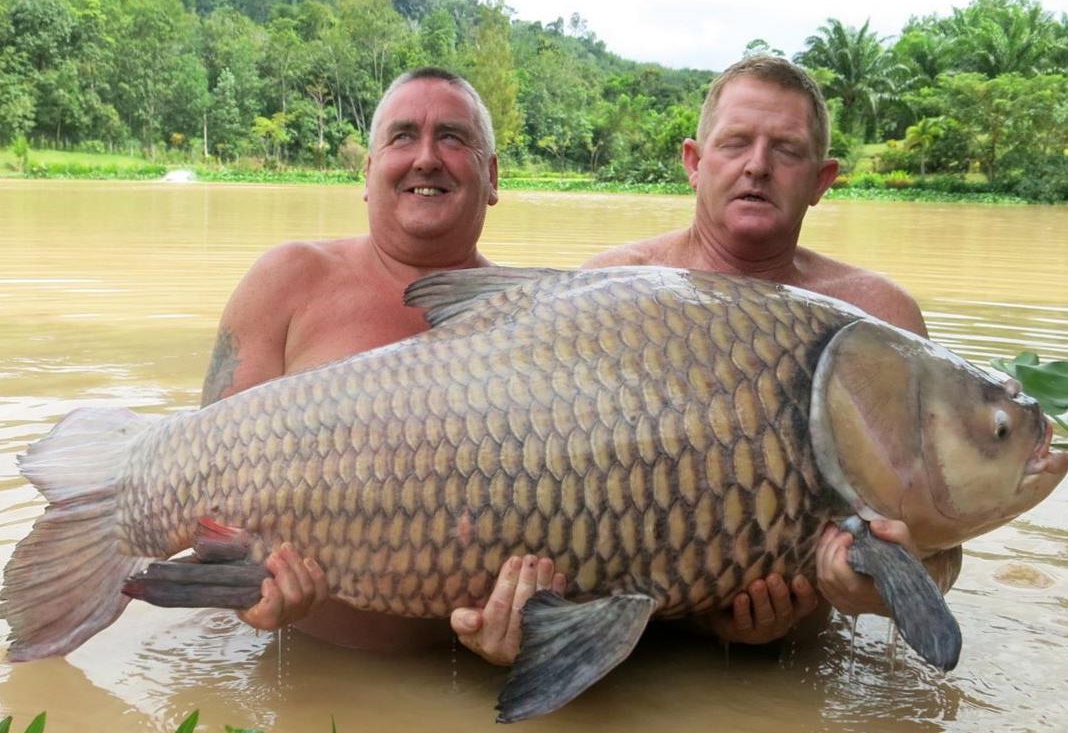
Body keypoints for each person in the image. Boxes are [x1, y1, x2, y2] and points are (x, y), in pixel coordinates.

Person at [582, 55, 961, 645]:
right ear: (694, 162)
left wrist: (889, 586)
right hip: (631, 642)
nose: (757, 166)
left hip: (795, 648)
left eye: (786, 150)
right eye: (736, 143)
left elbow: (945, 542)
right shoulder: (608, 287)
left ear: (821, 180)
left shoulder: (877, 320)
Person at [200, 67, 563, 666]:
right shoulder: (286, 281)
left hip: (463, 674)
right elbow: (204, 498)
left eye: (453, 137)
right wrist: (246, 597)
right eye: (402, 137)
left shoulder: (540, 320)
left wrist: (538, 634)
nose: (427, 158)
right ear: (368, 174)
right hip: (310, 668)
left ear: (493, 177)